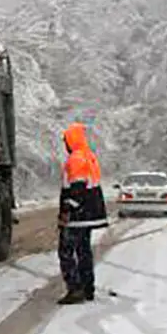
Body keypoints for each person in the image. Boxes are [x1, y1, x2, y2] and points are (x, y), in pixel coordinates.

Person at [56, 122, 109, 304]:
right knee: (84, 250)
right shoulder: (89, 157)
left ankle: (75, 288)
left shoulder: (76, 159)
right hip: (89, 215)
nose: (65, 145)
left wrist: (67, 210)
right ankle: (88, 287)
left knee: (66, 251)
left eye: (66, 141)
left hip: (77, 217)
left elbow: (77, 188)